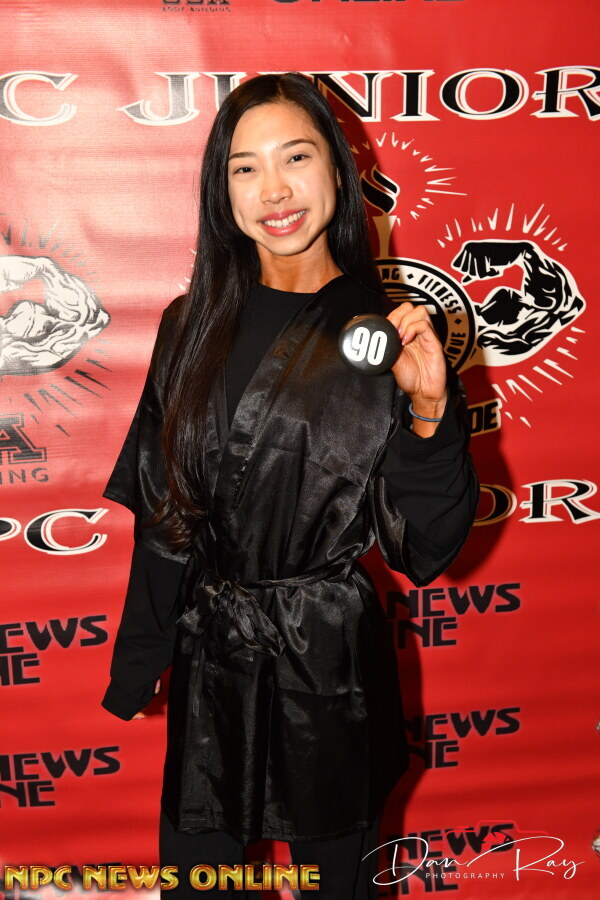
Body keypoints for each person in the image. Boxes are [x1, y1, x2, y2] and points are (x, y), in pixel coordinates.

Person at [100, 73, 479, 898]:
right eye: (246, 168)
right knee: (201, 878)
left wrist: (428, 410)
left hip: (328, 659)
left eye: (296, 158)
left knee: (335, 882)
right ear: (222, 189)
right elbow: (166, 514)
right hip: (214, 650)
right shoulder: (188, 325)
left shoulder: (385, 334)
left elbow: (425, 548)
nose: (273, 189)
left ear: (338, 170)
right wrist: (142, 654)